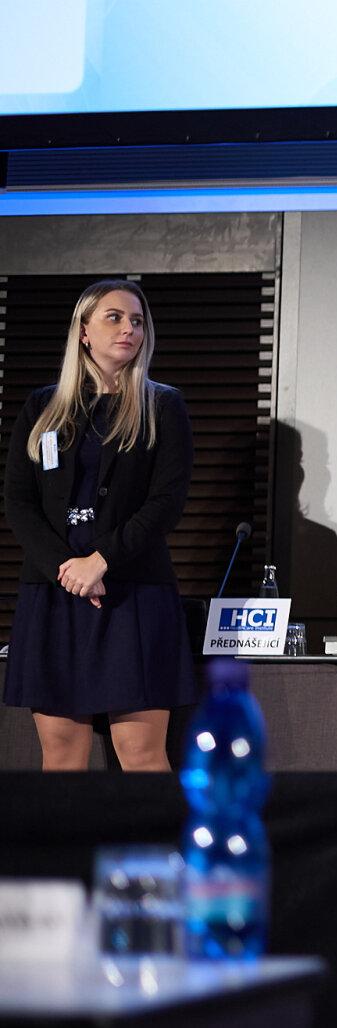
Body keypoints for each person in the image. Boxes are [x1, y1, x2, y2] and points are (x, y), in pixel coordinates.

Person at [4, 280, 195, 771]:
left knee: (142, 754)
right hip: (55, 593)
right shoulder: (42, 407)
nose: (129, 328)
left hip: (133, 594)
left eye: (137, 320)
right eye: (115, 317)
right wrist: (67, 568)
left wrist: (101, 560)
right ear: (84, 331)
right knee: (61, 756)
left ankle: (152, 832)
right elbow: (19, 502)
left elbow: (166, 503)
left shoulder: (163, 406)